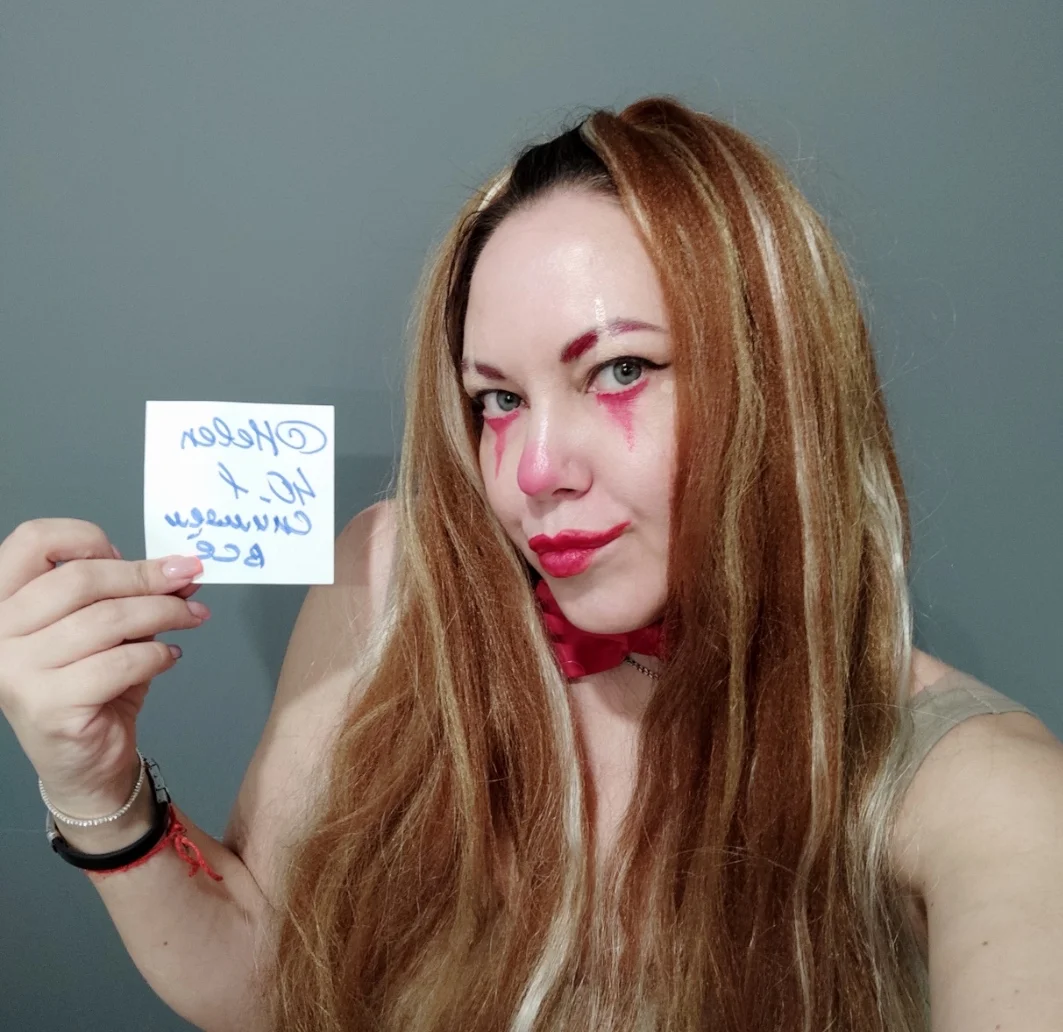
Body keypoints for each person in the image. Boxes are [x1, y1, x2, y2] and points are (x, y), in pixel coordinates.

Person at [2, 95, 1061, 1032]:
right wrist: (97, 786)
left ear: (776, 379)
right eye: (497, 399)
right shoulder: (393, 581)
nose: (532, 472)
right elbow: (274, 984)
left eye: (620, 369)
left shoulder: (979, 789)